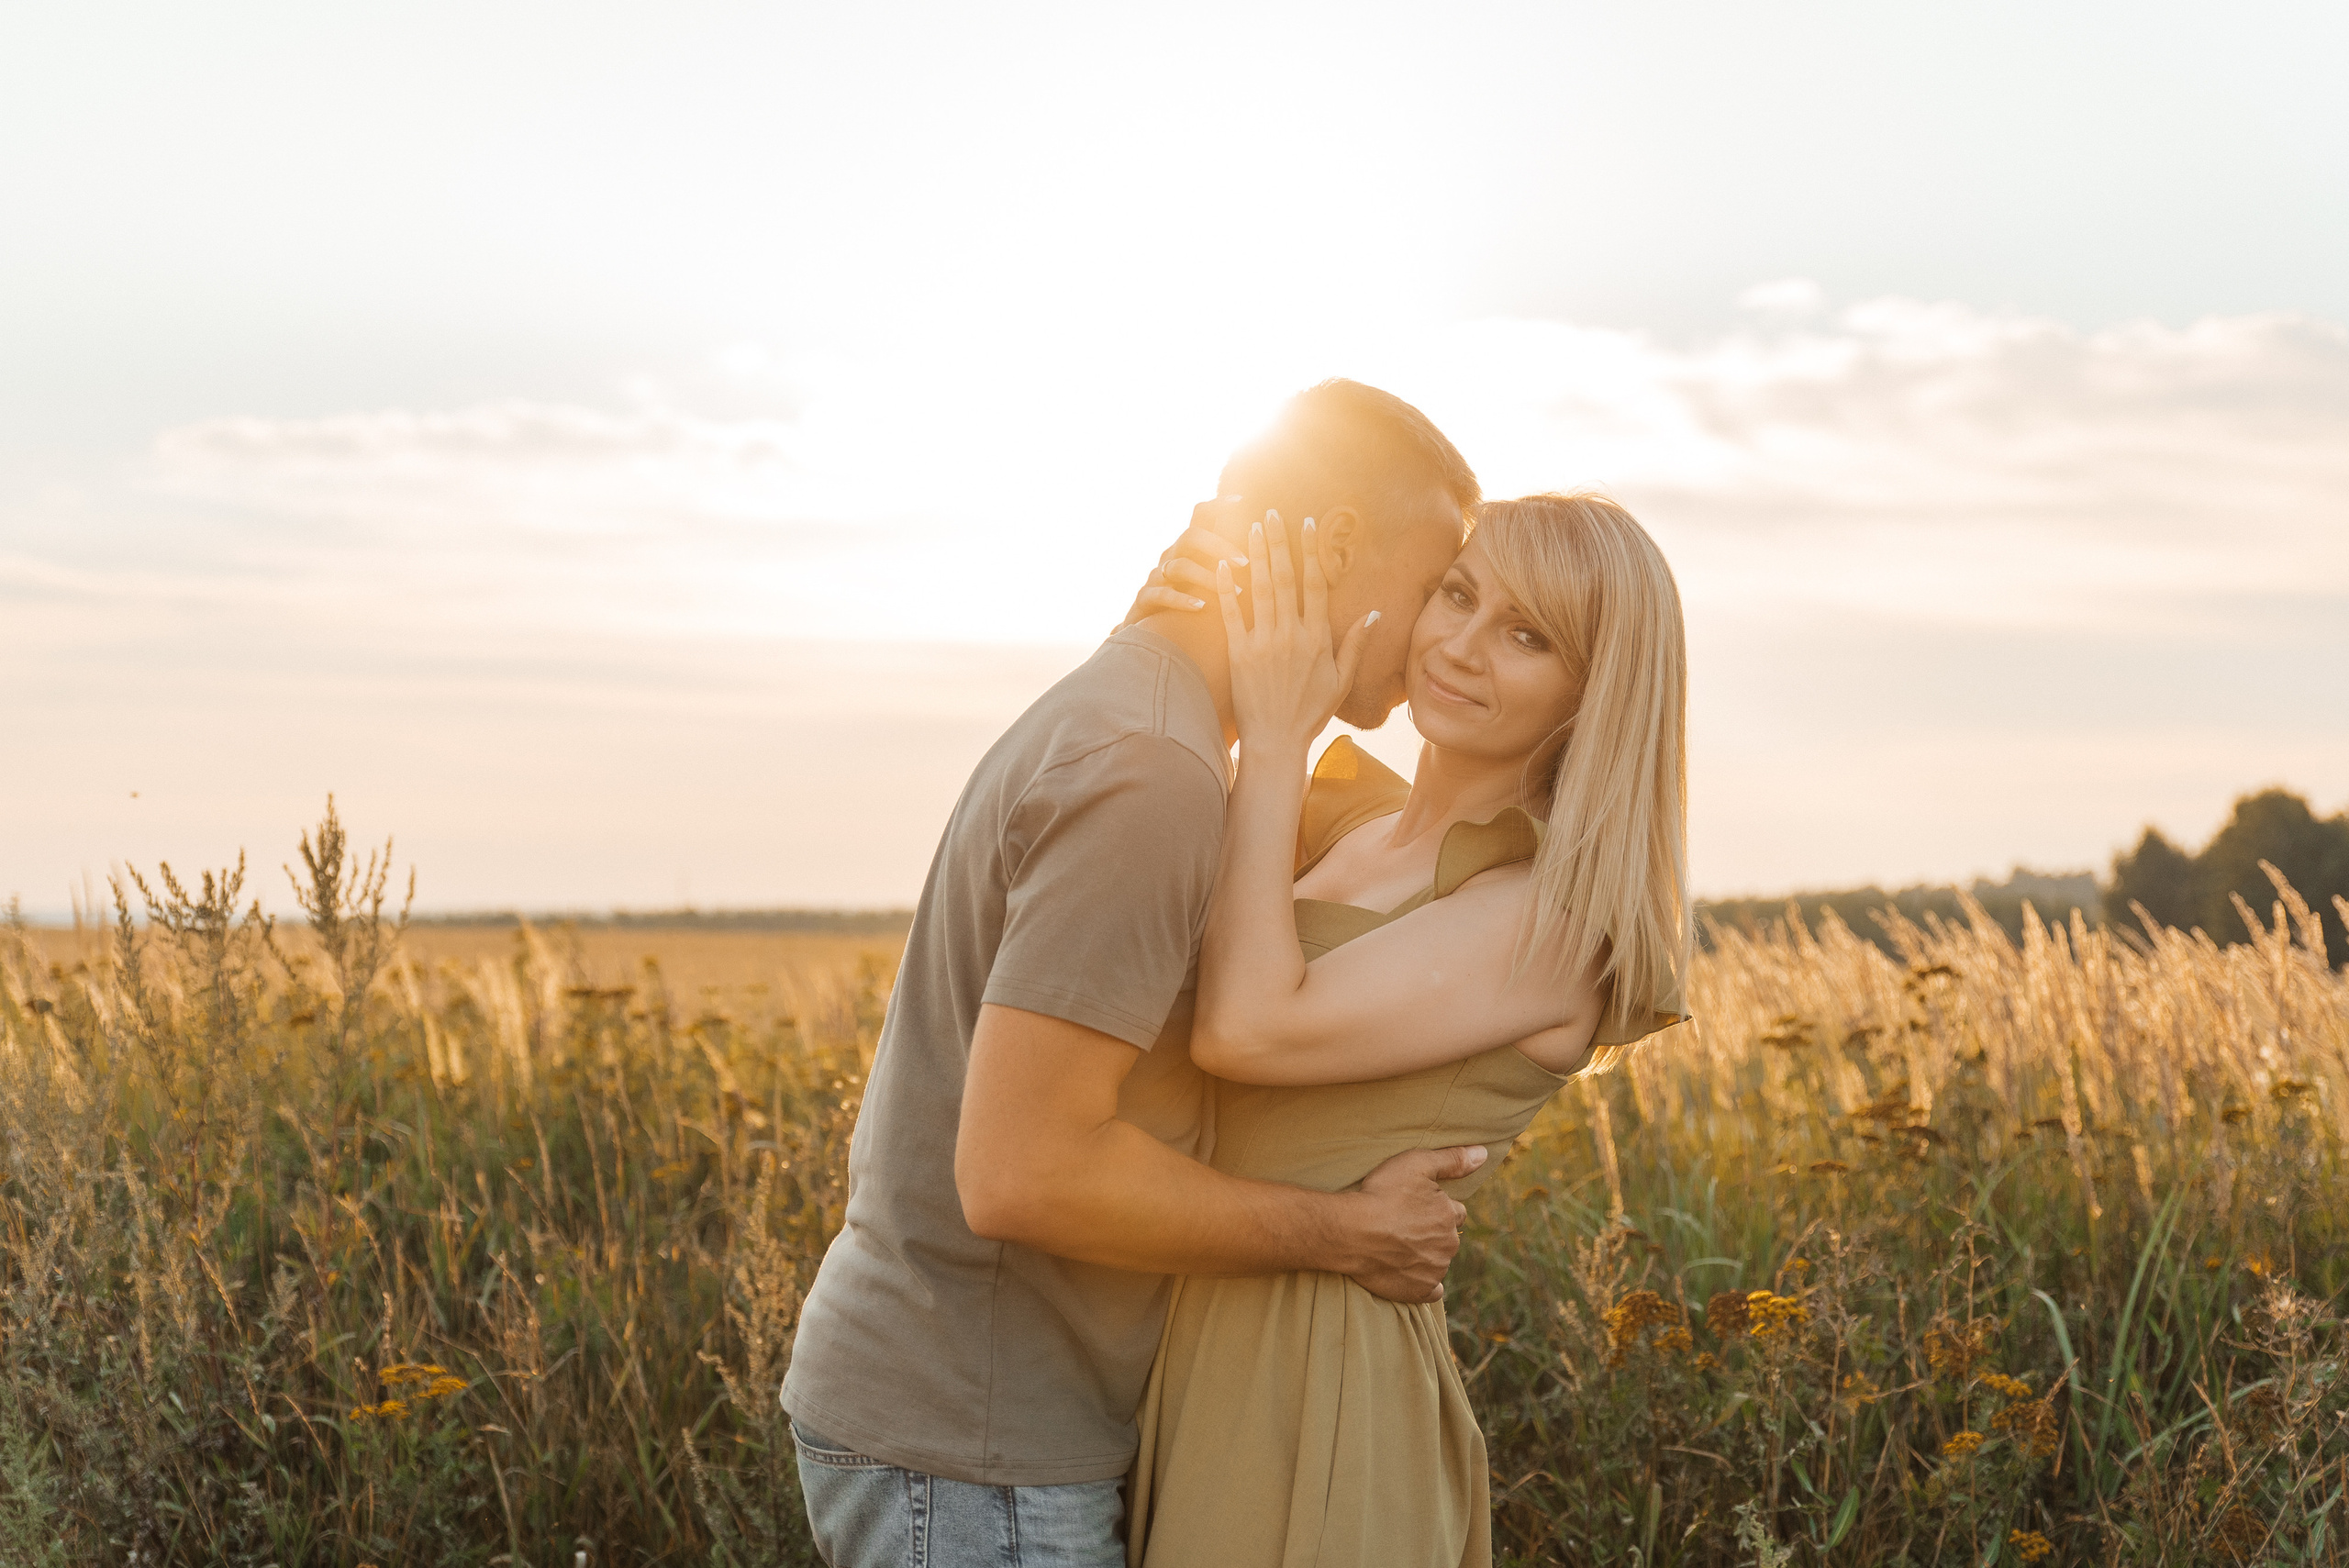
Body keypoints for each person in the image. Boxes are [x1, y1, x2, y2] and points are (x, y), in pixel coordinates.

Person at [782, 380, 1497, 1568]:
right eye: (1433, 585)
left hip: (976, 1424)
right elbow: (1023, 1170)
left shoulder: (1152, 726)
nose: (1437, 633)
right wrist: (1345, 1234)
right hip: (979, 1446)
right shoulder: (1150, 772)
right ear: (1329, 548)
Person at [1120, 493, 1691, 1568]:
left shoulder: (1548, 918)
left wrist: (1278, 737)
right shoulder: (1343, 822)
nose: (1460, 645)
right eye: (1457, 594)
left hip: (1313, 1374)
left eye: (1527, 636)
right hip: (1175, 1337)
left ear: (1596, 691)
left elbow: (1246, 1027)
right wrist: (1162, 642)